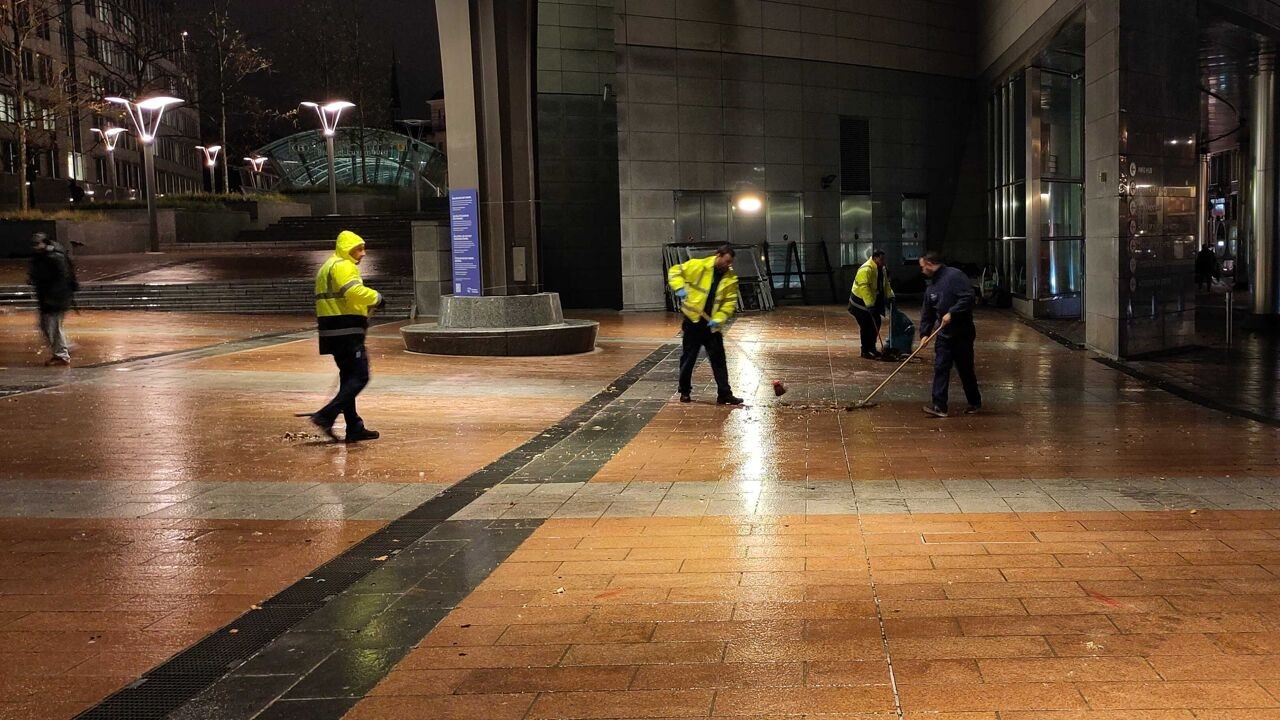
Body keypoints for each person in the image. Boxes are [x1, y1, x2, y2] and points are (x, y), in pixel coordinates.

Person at [310, 230, 385, 442]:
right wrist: (376, 297)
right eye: (358, 249)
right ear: (347, 249)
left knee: (348, 378)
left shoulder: (327, 267)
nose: (363, 254)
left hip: (333, 331)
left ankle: (354, 427)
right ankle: (326, 415)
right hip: (346, 330)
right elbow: (352, 291)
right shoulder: (343, 266)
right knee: (360, 377)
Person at [667, 244, 743, 405]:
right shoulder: (698, 265)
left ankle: (724, 393)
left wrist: (720, 318)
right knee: (688, 359)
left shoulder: (730, 278)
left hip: (712, 325)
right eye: (726, 261)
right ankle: (684, 391)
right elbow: (674, 271)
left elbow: (729, 303)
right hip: (693, 321)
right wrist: (679, 287)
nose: (728, 265)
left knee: (719, 360)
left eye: (730, 263)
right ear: (718, 255)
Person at [918, 251, 981, 418]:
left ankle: (974, 402)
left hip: (962, 333)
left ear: (930, 264)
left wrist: (952, 313)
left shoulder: (955, 276)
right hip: (944, 335)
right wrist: (924, 333)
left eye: (923, 267)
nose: (922, 270)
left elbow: (968, 297)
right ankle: (939, 406)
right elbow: (928, 312)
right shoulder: (932, 285)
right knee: (941, 367)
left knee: (965, 369)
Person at [27, 233, 77, 366]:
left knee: (53, 326)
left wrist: (53, 297)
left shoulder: (55, 257)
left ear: (45, 242)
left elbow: (62, 279)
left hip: (55, 299)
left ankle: (62, 355)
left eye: (38, 244)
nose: (36, 247)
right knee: (46, 326)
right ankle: (65, 347)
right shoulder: (41, 257)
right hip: (47, 298)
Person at [849, 249, 894, 359]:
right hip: (859, 302)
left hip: (870, 301)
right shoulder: (866, 269)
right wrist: (870, 305)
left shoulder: (881, 269)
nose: (883, 261)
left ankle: (871, 348)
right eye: (881, 259)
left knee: (875, 323)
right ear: (875, 258)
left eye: (884, 259)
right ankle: (865, 350)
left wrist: (890, 296)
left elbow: (885, 284)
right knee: (866, 326)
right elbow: (864, 288)